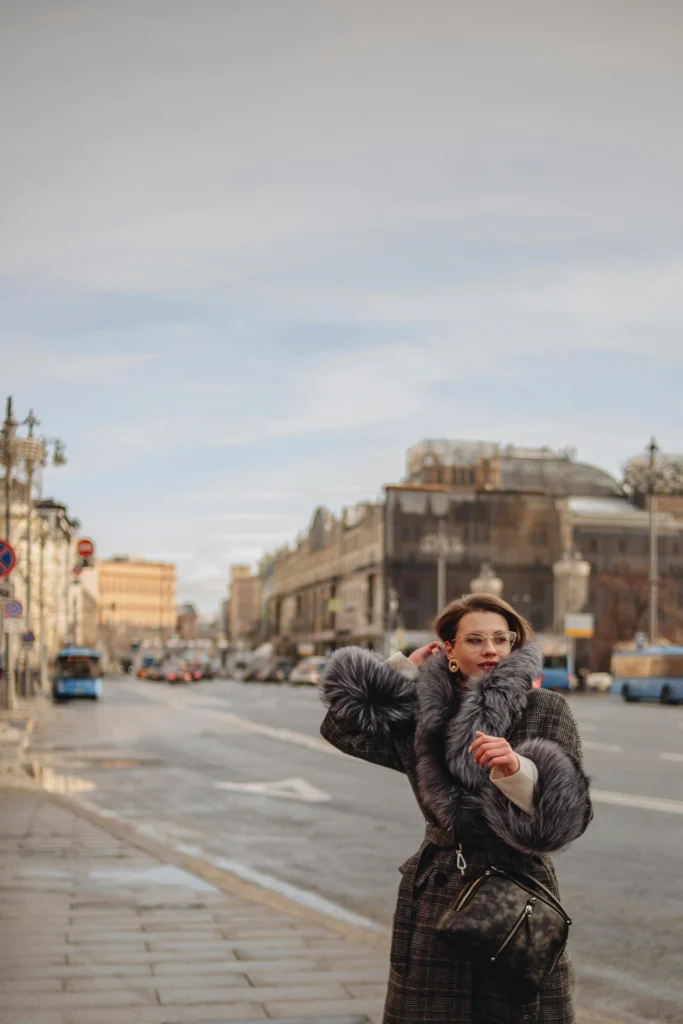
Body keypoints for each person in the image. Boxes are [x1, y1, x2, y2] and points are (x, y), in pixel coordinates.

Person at [320, 593, 592, 1024]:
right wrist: (400, 672)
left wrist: (516, 770)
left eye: (501, 639)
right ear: (449, 648)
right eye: (475, 640)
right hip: (438, 891)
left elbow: (569, 816)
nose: (490, 650)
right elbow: (342, 729)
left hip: (518, 892)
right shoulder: (422, 711)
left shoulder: (544, 708)